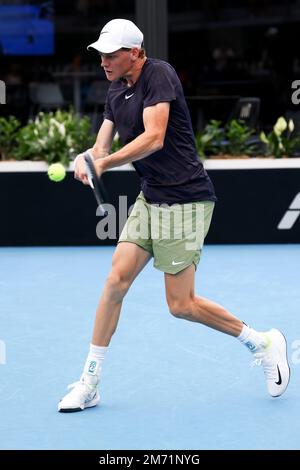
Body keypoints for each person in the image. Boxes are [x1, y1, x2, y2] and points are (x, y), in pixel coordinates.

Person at [58, 19, 290, 412]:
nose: (104, 62)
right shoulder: (116, 90)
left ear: (135, 52)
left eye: (112, 55)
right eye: (101, 55)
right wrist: (88, 159)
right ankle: (90, 381)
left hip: (187, 201)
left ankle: (263, 342)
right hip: (151, 199)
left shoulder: (159, 74)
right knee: (115, 280)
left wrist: (105, 164)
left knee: (181, 305)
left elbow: (154, 137)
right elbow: (101, 146)